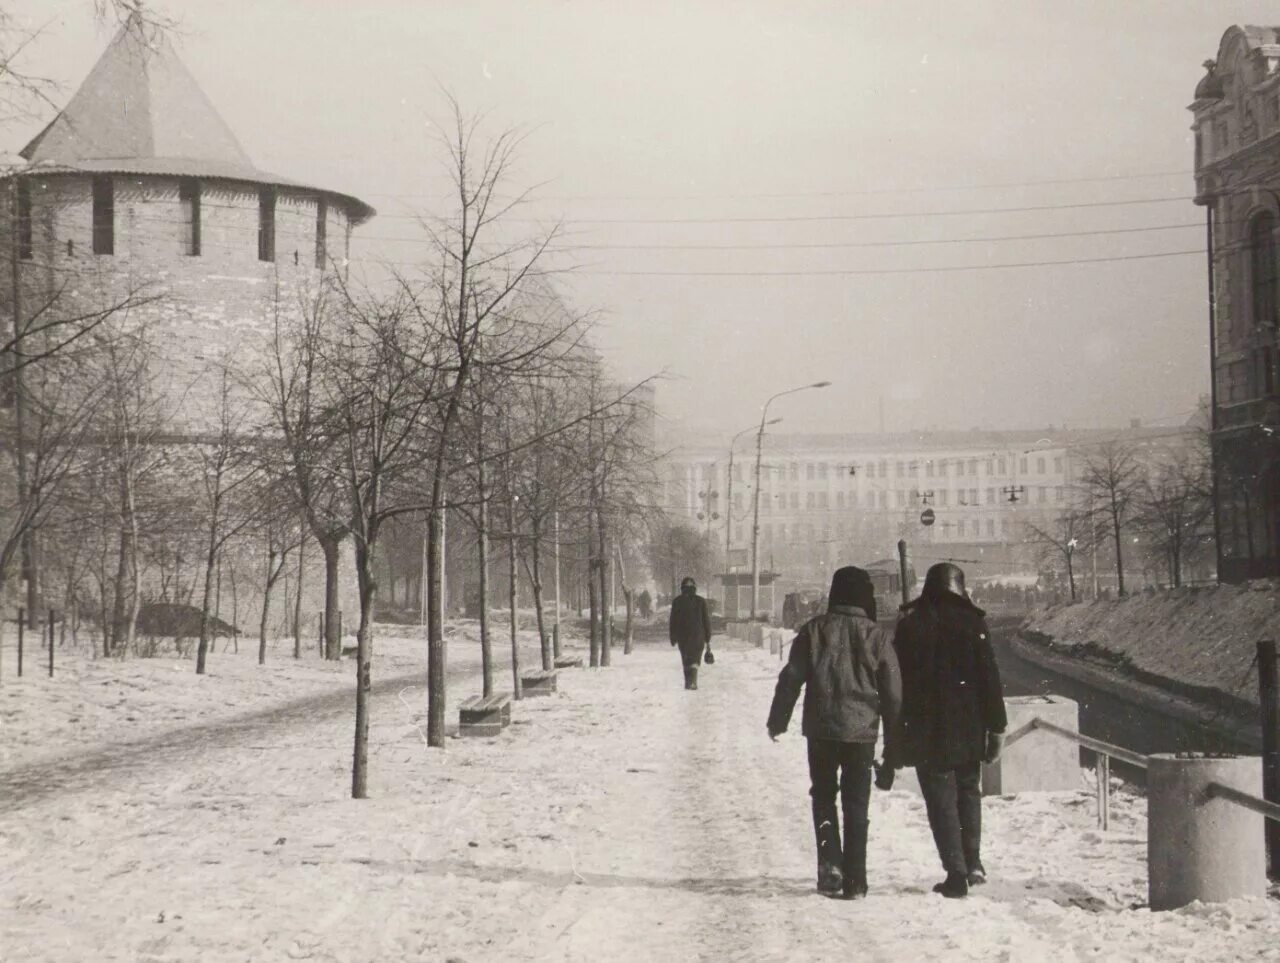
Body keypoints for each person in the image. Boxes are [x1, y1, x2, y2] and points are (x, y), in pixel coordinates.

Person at [766, 566, 902, 900]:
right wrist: (895, 745)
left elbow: (791, 678)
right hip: (862, 734)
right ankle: (856, 880)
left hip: (822, 730)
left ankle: (830, 866)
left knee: (824, 796)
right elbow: (894, 693)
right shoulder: (878, 636)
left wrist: (778, 719)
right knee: (857, 805)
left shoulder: (814, 630)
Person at [888, 562, 1007, 899]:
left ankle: (955, 871)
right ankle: (974, 864)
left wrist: (896, 733)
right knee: (969, 792)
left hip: (926, 729)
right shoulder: (974, 623)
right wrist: (996, 728)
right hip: (969, 729)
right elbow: (990, 681)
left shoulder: (911, 625)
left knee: (940, 799)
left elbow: (897, 684)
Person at [668, 576, 711, 690]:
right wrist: (708, 638)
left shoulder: (677, 601)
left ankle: (689, 682)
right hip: (698, 636)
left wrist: (673, 636)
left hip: (684, 636)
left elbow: (673, 621)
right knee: (694, 660)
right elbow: (706, 621)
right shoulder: (700, 601)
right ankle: (691, 682)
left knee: (686, 659)